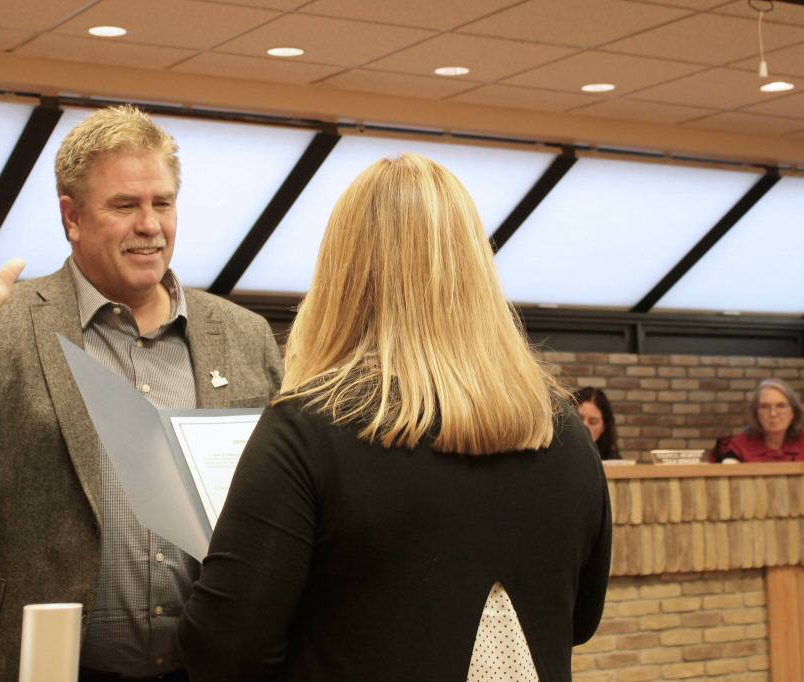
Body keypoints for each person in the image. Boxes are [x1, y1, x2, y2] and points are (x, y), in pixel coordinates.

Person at [0, 105, 283, 682]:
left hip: (209, 668)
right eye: (124, 205)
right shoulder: (3, 325)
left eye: (162, 202)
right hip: (34, 665)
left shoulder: (243, 335)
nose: (150, 225)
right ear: (72, 217)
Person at [178, 154, 612, 681]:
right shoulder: (565, 433)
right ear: (475, 266)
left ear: (340, 273)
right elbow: (580, 620)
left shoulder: (307, 430)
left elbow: (225, 649)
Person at [713, 378, 804, 463]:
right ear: (756, 413)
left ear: (793, 412)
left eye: (781, 406)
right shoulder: (738, 448)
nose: (773, 413)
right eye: (764, 407)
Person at [575, 386, 622, 460]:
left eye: (593, 422)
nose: (584, 426)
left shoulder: (613, 462)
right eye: (579, 419)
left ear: (604, 427)